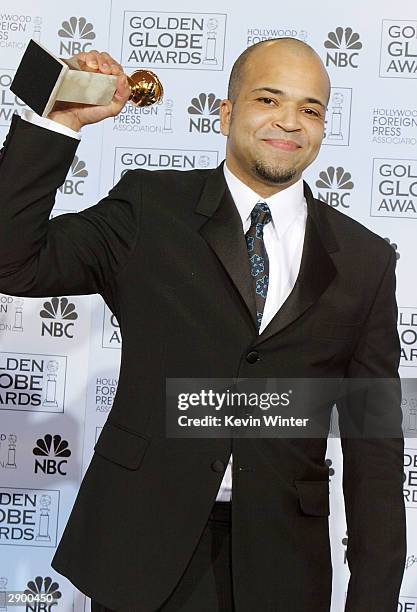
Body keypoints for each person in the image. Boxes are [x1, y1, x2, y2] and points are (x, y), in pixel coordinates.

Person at [0, 38, 406, 612]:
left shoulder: (365, 260)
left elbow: (376, 448)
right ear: (226, 112)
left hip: (284, 565)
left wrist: (375, 599)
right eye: (269, 99)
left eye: (310, 108)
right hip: (143, 548)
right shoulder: (150, 207)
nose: (290, 121)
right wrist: (60, 122)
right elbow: (11, 260)